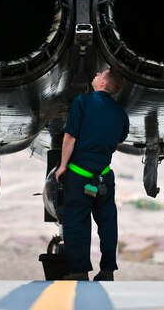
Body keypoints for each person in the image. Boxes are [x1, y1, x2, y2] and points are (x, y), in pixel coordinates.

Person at [55, 67, 130, 281]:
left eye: (100, 74)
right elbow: (120, 139)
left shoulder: (82, 102)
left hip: (80, 175)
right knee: (107, 223)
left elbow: (70, 137)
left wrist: (62, 166)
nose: (95, 75)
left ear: (104, 83)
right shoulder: (120, 113)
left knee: (77, 221)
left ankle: (79, 271)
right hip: (104, 176)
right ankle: (107, 270)